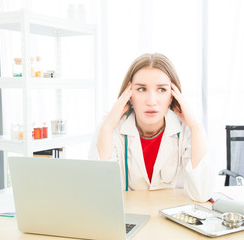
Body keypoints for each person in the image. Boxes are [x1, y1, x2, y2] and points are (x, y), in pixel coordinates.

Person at [89, 53, 214, 202]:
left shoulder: (188, 128)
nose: (151, 101)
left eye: (161, 89)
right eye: (141, 89)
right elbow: (102, 196)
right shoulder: (110, 127)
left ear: (172, 96)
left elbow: (202, 194)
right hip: (129, 219)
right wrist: (107, 127)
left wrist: (196, 126)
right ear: (128, 95)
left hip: (172, 219)